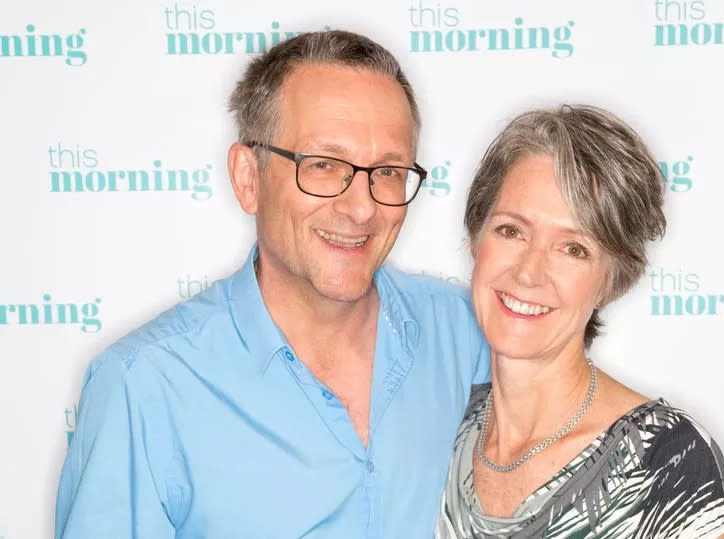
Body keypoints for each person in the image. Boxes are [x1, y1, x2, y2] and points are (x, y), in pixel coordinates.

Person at [55, 30, 489, 538]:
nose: (362, 208)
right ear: (247, 177)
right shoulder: (143, 385)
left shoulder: (475, 334)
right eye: (323, 166)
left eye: (388, 171)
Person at [435, 106, 724, 538]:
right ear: (475, 238)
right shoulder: (432, 426)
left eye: (573, 249)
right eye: (511, 231)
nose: (528, 272)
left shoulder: (669, 461)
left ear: (611, 282)